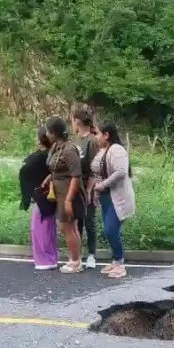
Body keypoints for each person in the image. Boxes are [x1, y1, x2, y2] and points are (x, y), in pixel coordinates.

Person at [92, 121, 135, 279]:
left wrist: (102, 185)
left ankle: (120, 263)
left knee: (110, 230)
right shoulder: (104, 150)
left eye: (98, 133)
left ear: (106, 135)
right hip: (106, 197)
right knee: (110, 230)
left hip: (116, 197)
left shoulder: (116, 149)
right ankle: (116, 260)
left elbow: (121, 172)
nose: (96, 137)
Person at [44, 116, 85, 273]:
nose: (46, 134)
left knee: (67, 228)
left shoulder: (69, 149)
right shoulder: (57, 147)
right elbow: (56, 169)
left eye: (48, 131)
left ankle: (75, 262)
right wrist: (48, 179)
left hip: (69, 193)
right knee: (70, 227)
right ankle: (75, 259)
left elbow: (76, 175)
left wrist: (68, 200)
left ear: (53, 133)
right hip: (61, 192)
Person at [19, 127, 58, 271]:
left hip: (41, 197)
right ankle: (51, 258)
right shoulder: (53, 155)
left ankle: (44, 260)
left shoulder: (40, 157)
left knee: (40, 229)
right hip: (51, 196)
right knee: (49, 228)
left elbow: (24, 171)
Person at [71, 104, 99, 270]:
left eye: (73, 120)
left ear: (78, 121)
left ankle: (91, 254)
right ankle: (78, 254)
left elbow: (94, 169)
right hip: (77, 186)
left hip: (88, 186)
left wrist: (89, 190)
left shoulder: (91, 141)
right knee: (78, 222)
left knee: (89, 221)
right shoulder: (76, 140)